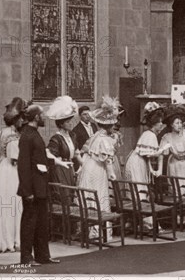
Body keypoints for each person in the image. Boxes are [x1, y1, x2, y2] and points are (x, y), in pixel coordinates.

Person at [17, 104, 59, 265]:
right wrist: (27, 191)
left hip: (40, 187)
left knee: (41, 223)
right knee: (29, 224)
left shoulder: (33, 133)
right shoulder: (27, 135)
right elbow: (23, 166)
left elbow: (38, 159)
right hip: (32, 189)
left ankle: (43, 256)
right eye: (42, 115)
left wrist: (57, 162)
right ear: (36, 117)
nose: (45, 118)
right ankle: (26, 258)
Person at [77, 97, 121, 240]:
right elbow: (107, 160)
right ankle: (100, 232)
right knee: (99, 196)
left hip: (88, 166)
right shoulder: (104, 139)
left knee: (90, 197)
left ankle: (91, 231)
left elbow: (86, 149)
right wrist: (111, 174)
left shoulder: (96, 135)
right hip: (97, 170)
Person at [124, 102, 170, 230]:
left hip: (139, 162)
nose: (161, 125)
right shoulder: (150, 135)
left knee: (140, 190)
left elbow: (147, 156)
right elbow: (150, 155)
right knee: (140, 191)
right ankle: (146, 223)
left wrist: (152, 169)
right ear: (154, 123)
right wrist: (162, 150)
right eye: (159, 122)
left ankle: (137, 222)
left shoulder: (149, 134)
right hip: (137, 164)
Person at [0, 98, 26, 254]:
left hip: (2, 169)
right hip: (12, 171)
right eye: (21, 119)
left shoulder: (0, 132)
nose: (22, 122)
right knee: (14, 204)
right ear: (16, 119)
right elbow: (16, 158)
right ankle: (13, 240)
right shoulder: (12, 136)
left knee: (3, 205)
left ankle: (4, 238)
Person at [160, 106, 185, 193]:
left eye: (181, 123)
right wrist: (165, 149)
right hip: (175, 164)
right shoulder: (167, 137)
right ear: (171, 125)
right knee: (178, 189)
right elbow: (164, 153)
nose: (180, 125)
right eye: (177, 123)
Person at [46, 96, 82, 189]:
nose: (71, 123)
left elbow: (77, 152)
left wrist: (83, 165)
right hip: (60, 170)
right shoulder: (56, 138)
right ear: (61, 124)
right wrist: (60, 162)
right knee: (63, 194)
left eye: (71, 121)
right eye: (67, 122)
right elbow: (49, 154)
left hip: (70, 169)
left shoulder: (72, 136)